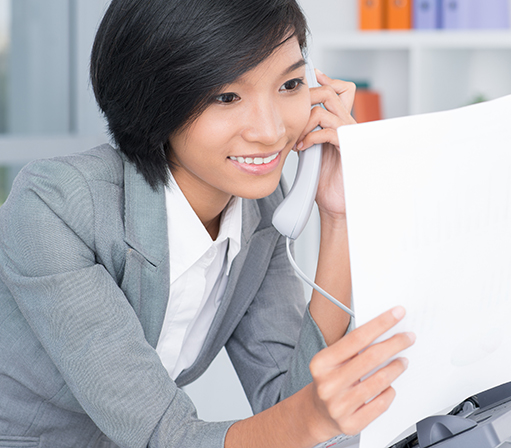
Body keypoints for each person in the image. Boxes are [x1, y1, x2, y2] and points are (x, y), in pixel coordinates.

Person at [0, 0, 414, 447]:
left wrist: (338, 217)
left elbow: (291, 405)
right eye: (227, 96)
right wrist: (312, 419)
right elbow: (169, 436)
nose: (270, 130)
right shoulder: (56, 204)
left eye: (290, 84)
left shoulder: (259, 211)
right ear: (156, 99)